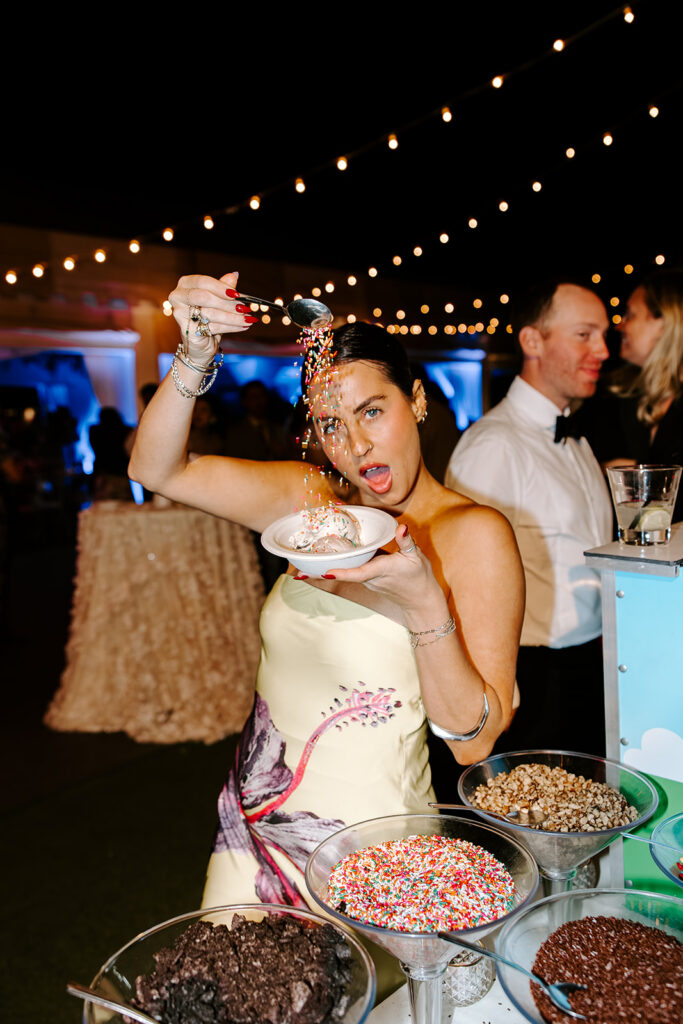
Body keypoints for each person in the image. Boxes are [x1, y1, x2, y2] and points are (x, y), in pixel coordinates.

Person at [128, 271, 524, 921]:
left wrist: (425, 605)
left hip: (374, 847)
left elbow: (474, 742)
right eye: (331, 424)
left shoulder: (472, 535)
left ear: (416, 401)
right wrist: (194, 356)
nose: (356, 444)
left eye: (372, 411)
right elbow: (155, 469)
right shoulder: (307, 501)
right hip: (257, 827)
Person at [446, 281, 613, 764]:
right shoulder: (493, 446)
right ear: (532, 341)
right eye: (584, 334)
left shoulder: (576, 438)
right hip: (534, 682)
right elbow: (461, 582)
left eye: (603, 334)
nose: (602, 349)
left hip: (586, 668)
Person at [576, 270, 683, 522]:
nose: (619, 325)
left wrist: (638, 469)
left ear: (665, 323)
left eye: (630, 315)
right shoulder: (611, 394)